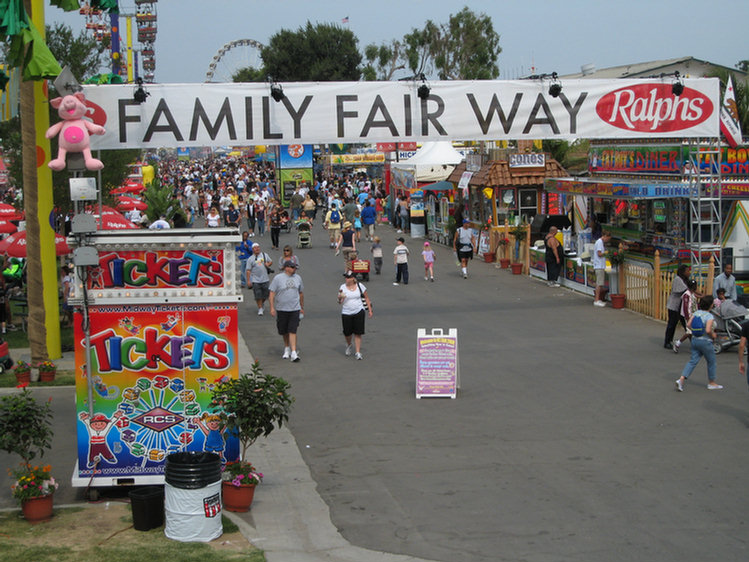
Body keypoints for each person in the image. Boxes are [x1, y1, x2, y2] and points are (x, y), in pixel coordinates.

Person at [674, 295, 723, 391]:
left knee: (692, 361)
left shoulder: (696, 313)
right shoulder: (709, 316)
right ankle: (711, 382)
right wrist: (713, 335)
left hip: (695, 340)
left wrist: (696, 331)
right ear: (710, 305)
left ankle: (681, 379)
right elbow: (708, 330)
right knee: (711, 362)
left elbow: (688, 324)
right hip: (705, 342)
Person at [268, 260, 304, 362]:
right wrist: (271, 307)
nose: (294, 269)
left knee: (293, 329)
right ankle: (286, 348)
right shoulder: (278, 278)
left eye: (295, 268)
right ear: (286, 268)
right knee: (284, 330)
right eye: (292, 267)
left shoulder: (298, 278)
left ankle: (293, 352)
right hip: (282, 308)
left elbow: (301, 293)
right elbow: (272, 293)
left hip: (295, 308)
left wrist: (302, 307)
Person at [338, 270, 373, 360]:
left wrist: (369, 310)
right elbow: (340, 302)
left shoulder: (360, 286)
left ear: (353, 278)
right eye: (346, 277)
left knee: (358, 333)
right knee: (347, 333)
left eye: (348, 277)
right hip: (346, 312)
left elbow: (366, 297)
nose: (347, 279)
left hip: (359, 311)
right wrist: (340, 298)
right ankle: (349, 344)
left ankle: (357, 352)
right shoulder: (342, 287)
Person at [664, 264, 691, 348]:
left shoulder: (685, 280)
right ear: (683, 272)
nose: (689, 272)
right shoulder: (678, 279)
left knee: (686, 324)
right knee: (672, 324)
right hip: (674, 306)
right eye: (687, 271)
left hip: (682, 306)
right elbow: (684, 290)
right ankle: (667, 341)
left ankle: (693, 342)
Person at [673, 279, 699, 353]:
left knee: (691, 331)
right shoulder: (686, 295)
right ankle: (678, 343)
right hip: (688, 316)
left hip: (693, 315)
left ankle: (694, 347)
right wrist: (687, 318)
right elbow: (685, 307)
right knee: (689, 332)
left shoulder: (692, 294)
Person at [246, 243, 272, 315]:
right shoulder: (250, 259)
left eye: (258, 247)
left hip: (265, 279)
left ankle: (261, 303)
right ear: (252, 249)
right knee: (258, 295)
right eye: (255, 248)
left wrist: (268, 264)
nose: (257, 249)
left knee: (266, 294)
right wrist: (248, 280)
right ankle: (260, 308)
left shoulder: (264, 255)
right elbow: (248, 270)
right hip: (255, 280)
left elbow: (270, 261)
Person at [592, 230, 611, 307]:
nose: (607, 240)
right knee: (599, 284)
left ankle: (599, 299)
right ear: (605, 236)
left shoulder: (599, 242)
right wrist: (605, 253)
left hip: (600, 265)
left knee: (600, 283)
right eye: (608, 239)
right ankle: (596, 300)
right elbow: (599, 254)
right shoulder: (599, 242)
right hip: (599, 265)